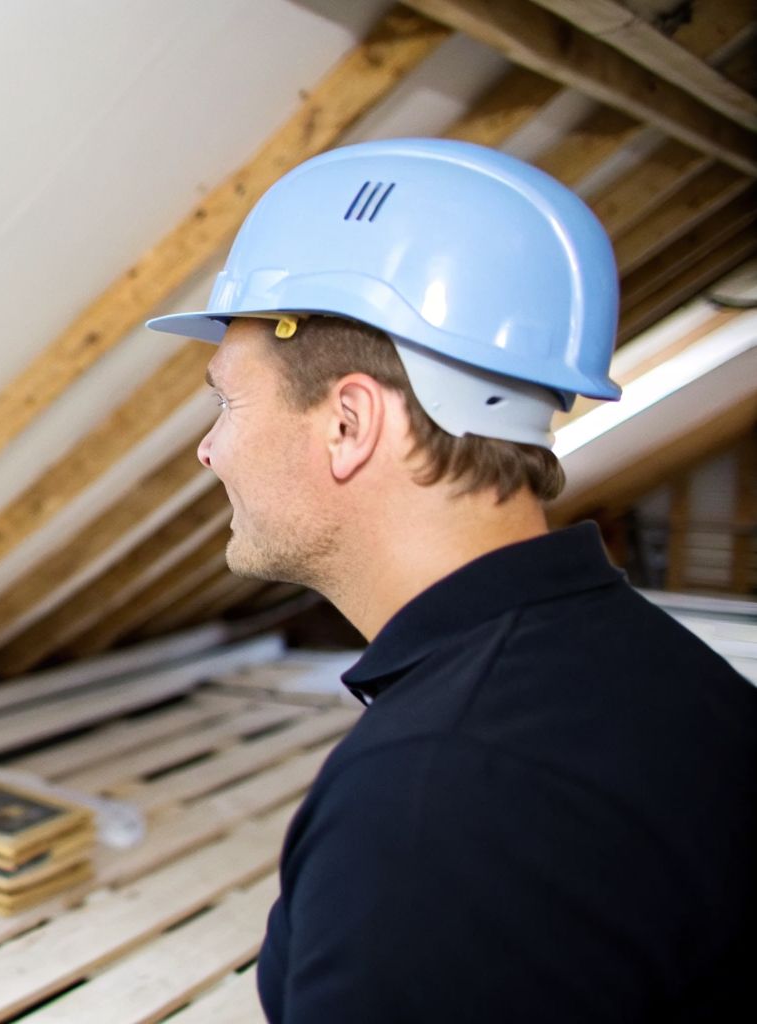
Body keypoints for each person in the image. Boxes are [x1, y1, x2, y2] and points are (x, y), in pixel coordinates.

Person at [144, 138, 756, 1021]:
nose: (210, 449)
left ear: (349, 423)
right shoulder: (637, 665)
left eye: (227, 403)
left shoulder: (435, 804)